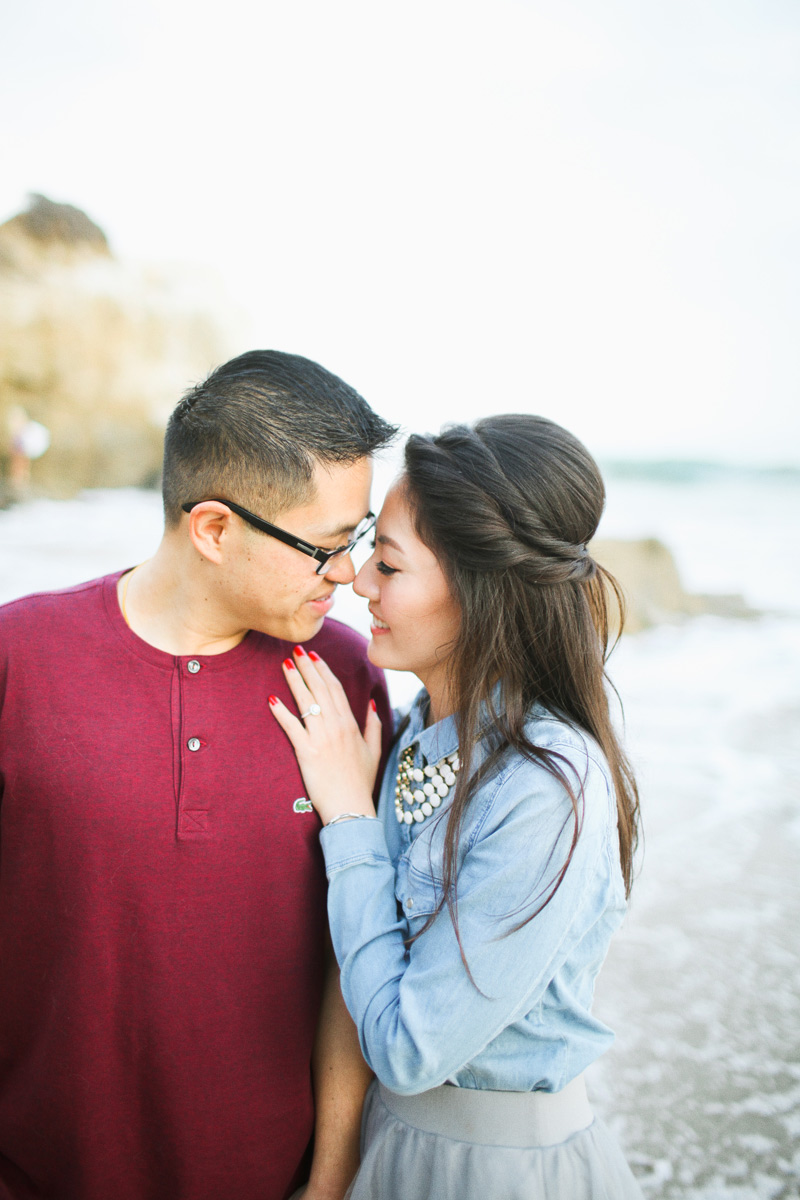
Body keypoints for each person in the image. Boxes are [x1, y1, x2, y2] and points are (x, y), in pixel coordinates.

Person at [0, 350, 397, 1200]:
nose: (350, 574)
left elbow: (352, 955)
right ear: (212, 529)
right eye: (323, 546)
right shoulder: (17, 659)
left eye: (357, 539)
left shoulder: (348, 676)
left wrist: (330, 1180)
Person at [270, 413, 645, 1198]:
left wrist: (347, 820)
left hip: (497, 1172)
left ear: (479, 593)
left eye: (390, 565)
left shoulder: (546, 788)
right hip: (393, 1145)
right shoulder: (417, 731)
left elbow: (409, 1048)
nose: (358, 581)